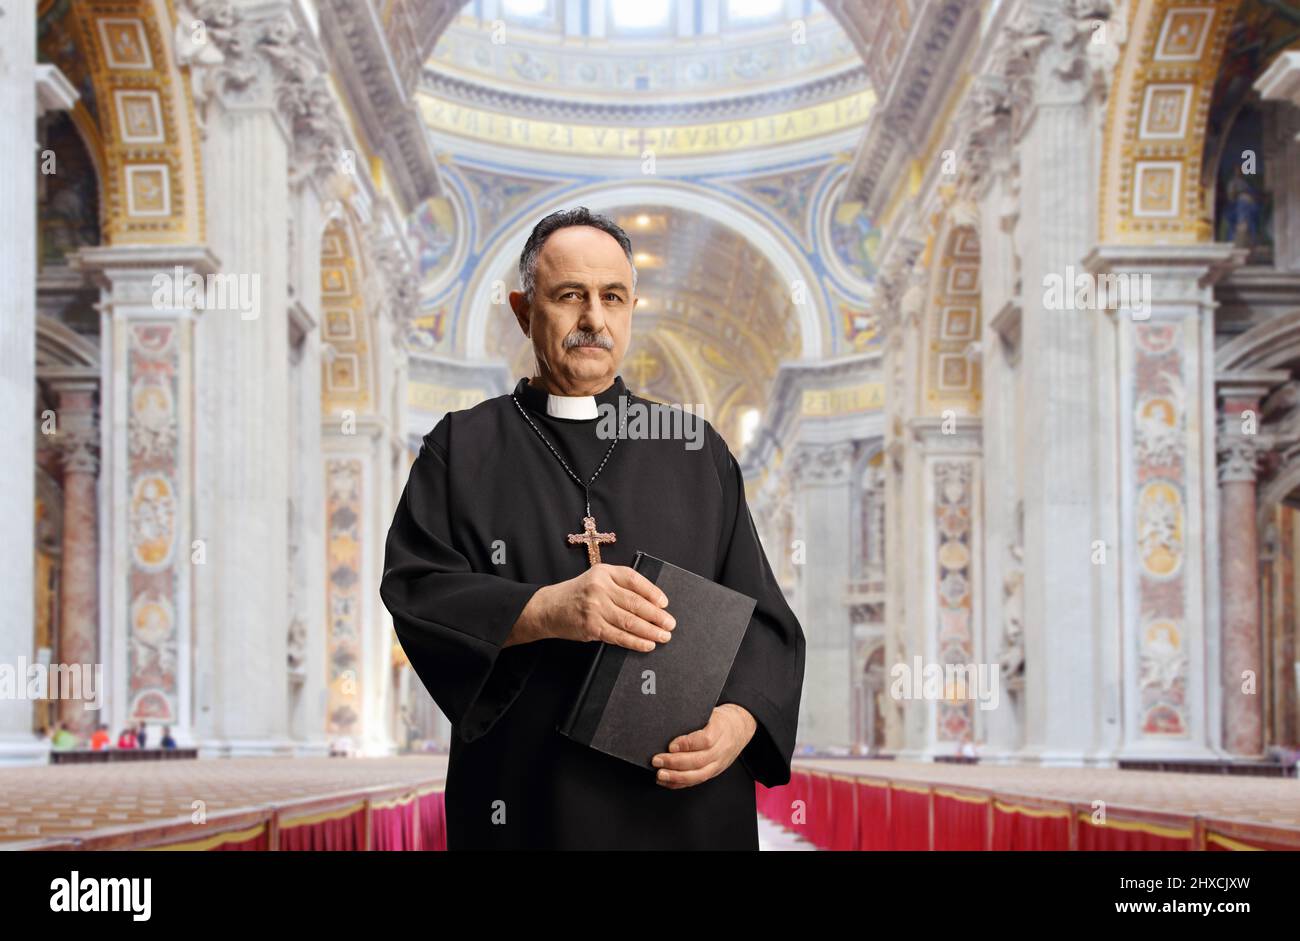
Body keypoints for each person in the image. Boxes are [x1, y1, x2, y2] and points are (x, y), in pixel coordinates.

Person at [381, 207, 806, 850]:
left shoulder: (696, 449)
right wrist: (546, 607)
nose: (594, 320)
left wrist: (740, 720)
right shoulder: (461, 448)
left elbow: (764, 622)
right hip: (527, 803)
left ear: (633, 307)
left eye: (613, 297)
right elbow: (416, 589)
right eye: (569, 296)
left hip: (686, 808)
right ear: (525, 311)